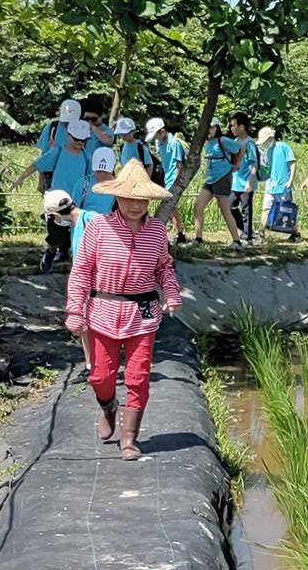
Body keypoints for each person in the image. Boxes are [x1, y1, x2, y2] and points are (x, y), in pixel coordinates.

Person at [65, 160, 183, 461]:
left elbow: (164, 268)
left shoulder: (156, 231)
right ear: (117, 198)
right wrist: (75, 310)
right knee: (101, 376)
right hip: (104, 310)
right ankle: (108, 407)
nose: (136, 206)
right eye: (129, 199)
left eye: (141, 200)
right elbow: (81, 272)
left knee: (138, 376)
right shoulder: (98, 227)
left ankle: (129, 439)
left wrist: (170, 293)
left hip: (142, 312)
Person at [12, 118, 92, 274]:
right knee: (55, 232)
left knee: (75, 232)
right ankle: (50, 252)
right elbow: (38, 164)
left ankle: (68, 255)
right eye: (77, 139)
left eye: (84, 139)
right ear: (69, 135)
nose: (80, 142)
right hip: (57, 200)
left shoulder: (86, 156)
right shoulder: (59, 151)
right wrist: (20, 178)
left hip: (77, 202)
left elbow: (92, 177)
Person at [43, 189, 100, 377]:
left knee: (91, 326)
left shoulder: (91, 220)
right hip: (85, 282)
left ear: (56, 215)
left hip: (96, 283)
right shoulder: (77, 225)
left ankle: (96, 366)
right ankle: (91, 365)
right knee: (84, 326)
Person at [193, 117, 242, 246]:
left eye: (212, 127)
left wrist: (236, 164)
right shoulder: (207, 142)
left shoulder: (223, 140)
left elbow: (241, 148)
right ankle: (198, 239)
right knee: (198, 207)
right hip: (209, 179)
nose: (209, 130)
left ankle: (236, 241)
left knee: (225, 211)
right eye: (207, 128)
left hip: (222, 178)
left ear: (217, 128)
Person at [145, 117, 186, 243]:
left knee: (169, 206)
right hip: (164, 178)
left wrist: (176, 182)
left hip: (172, 179)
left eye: (156, 135)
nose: (155, 138)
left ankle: (176, 233)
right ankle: (179, 233)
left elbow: (179, 164)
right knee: (171, 208)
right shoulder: (159, 143)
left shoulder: (175, 143)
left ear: (162, 131)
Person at [257, 126, 301, 241]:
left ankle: (295, 232)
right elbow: (266, 168)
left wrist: (290, 180)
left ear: (271, 138)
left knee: (287, 209)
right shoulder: (267, 151)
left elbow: (292, 163)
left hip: (283, 186)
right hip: (270, 185)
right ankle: (261, 232)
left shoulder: (284, 147)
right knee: (266, 208)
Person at [35, 98, 80, 193]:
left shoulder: (84, 131)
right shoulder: (52, 128)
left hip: (76, 178)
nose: (67, 124)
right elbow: (44, 156)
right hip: (52, 178)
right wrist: (41, 181)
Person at [229, 112, 258, 245]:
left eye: (234, 125)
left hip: (246, 183)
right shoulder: (234, 142)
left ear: (242, 127)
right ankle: (246, 230)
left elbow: (254, 164)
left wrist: (249, 182)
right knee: (230, 206)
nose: (231, 128)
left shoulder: (249, 143)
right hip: (234, 183)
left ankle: (247, 236)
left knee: (246, 210)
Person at [82, 147, 119, 214]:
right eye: (98, 171)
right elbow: (74, 209)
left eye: (105, 171)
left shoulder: (119, 188)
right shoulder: (84, 184)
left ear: (113, 167)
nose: (102, 174)